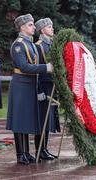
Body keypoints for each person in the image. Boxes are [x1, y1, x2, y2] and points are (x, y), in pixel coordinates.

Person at [6, 14, 53, 165]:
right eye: (30, 25)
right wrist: (47, 67)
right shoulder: (19, 45)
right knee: (20, 120)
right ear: (22, 27)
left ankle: (27, 153)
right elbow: (24, 66)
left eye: (33, 24)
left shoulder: (31, 44)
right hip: (21, 84)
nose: (34, 27)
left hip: (30, 84)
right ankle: (21, 154)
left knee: (26, 119)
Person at [34, 18, 60, 160]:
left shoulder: (52, 45)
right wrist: (39, 90)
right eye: (49, 27)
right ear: (42, 30)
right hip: (43, 85)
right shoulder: (38, 46)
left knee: (48, 119)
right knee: (42, 119)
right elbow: (37, 70)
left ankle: (45, 148)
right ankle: (40, 149)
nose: (52, 29)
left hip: (51, 85)